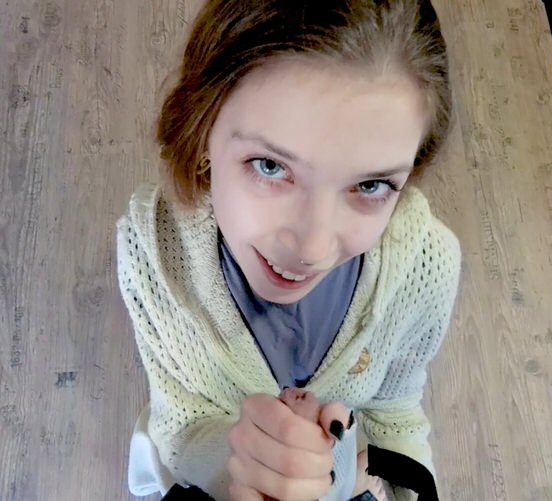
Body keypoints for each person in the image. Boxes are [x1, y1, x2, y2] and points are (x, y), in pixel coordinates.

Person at [116, 1, 461, 500]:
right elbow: (183, 419)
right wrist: (238, 469)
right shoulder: (154, 252)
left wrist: (377, 485)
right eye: (270, 166)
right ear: (202, 129)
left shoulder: (427, 269)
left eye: (370, 185)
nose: (313, 250)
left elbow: (396, 410)